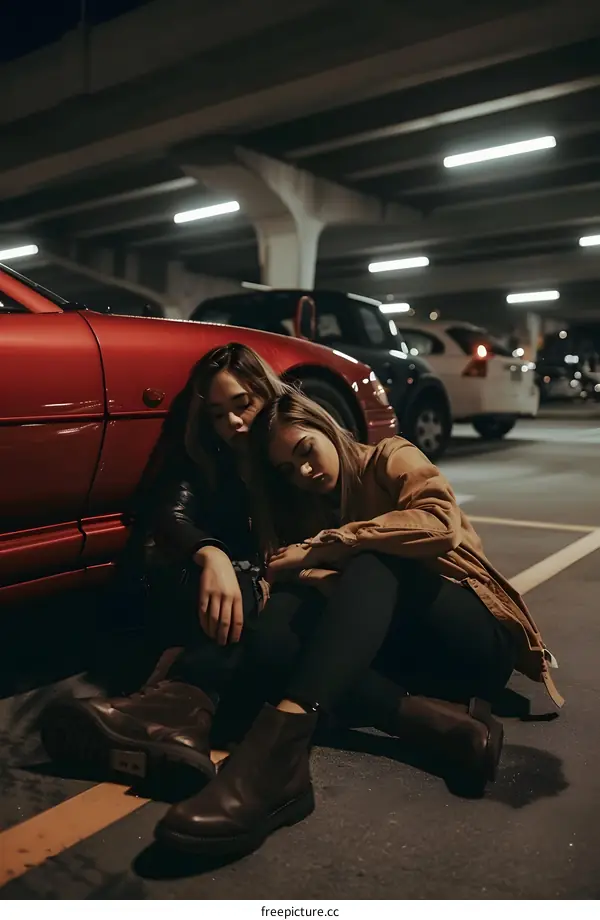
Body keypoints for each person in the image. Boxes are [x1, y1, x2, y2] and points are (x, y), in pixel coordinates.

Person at [154, 390, 563, 858]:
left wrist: (333, 545)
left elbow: (438, 522)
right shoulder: (310, 506)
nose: (304, 473)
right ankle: (437, 723)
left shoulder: (389, 456)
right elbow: (300, 580)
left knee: (373, 562)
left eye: (305, 451)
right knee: (281, 627)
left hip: (475, 638)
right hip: (410, 661)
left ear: (327, 427)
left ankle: (279, 755)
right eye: (288, 470)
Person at [39, 345, 408, 797]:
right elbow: (171, 514)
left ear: (267, 394)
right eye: (218, 414)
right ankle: (184, 717)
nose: (232, 422)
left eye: (242, 404)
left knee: (273, 629)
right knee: (247, 602)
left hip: (277, 597)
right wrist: (210, 554)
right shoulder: (208, 461)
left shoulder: (295, 457)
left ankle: (182, 717)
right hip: (211, 588)